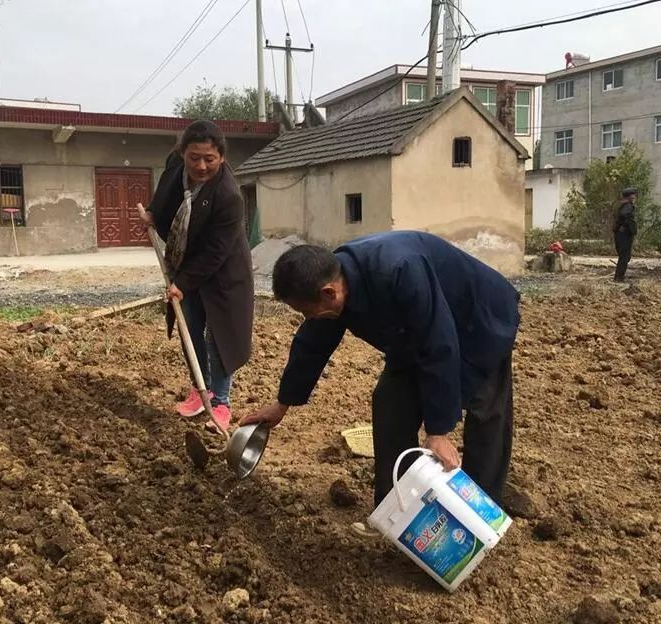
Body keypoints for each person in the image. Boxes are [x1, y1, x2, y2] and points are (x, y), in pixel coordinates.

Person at [239, 231, 520, 536]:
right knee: (391, 401)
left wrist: (438, 431)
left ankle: (480, 519)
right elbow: (312, 343)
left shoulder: (399, 270)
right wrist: (283, 403)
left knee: (486, 411)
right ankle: (394, 512)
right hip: (414, 331)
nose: (309, 317)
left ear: (329, 293)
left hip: (478, 319)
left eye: (307, 311)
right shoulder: (334, 280)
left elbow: (439, 344)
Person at [138, 120, 253, 432]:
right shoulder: (176, 164)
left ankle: (221, 403)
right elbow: (165, 190)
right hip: (185, 260)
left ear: (222, 158)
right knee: (191, 327)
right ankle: (200, 389)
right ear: (182, 153)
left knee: (219, 336)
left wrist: (181, 283)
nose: (201, 166)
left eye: (210, 159)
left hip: (223, 272)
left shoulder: (229, 196)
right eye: (194, 158)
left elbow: (216, 252)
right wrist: (152, 213)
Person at [612, 188, 637, 282]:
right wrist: (630, 226)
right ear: (630, 196)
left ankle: (618, 277)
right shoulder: (627, 205)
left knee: (623, 256)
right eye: (633, 195)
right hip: (624, 234)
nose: (635, 197)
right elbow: (624, 214)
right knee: (624, 257)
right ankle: (619, 278)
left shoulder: (619, 204)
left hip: (619, 233)